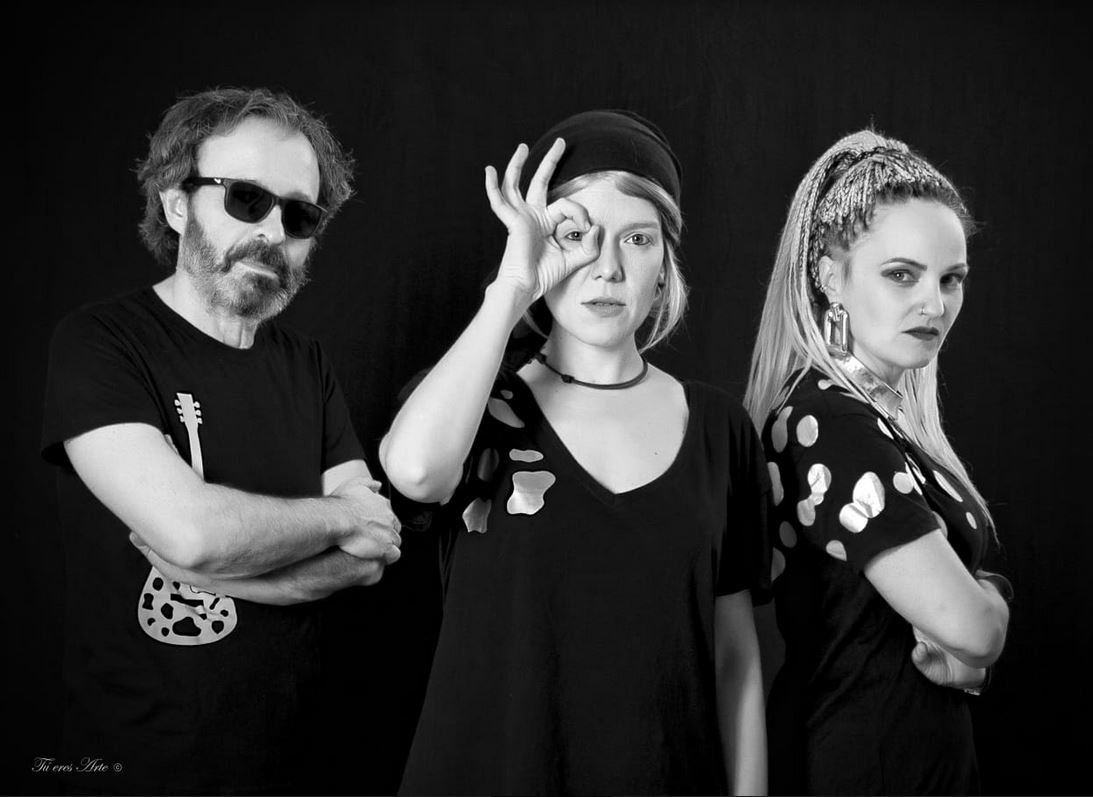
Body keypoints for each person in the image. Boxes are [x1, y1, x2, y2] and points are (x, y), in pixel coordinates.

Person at [380, 110, 771, 796]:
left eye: (638, 239)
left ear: (664, 265)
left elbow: (735, 657)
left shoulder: (719, 429)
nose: (607, 267)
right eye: (575, 234)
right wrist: (512, 288)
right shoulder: (475, 403)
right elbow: (414, 472)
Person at [40, 87, 402, 795]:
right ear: (177, 203)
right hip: (135, 769)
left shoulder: (307, 365)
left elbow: (369, 559)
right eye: (246, 199)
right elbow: (195, 533)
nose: (272, 231)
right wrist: (339, 517)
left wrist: (220, 575)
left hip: (302, 764)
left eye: (299, 215)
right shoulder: (100, 343)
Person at [744, 129, 1013, 795]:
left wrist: (978, 637)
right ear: (828, 276)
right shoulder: (829, 422)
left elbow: (964, 626)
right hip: (862, 764)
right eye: (901, 274)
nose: (934, 305)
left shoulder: (878, 419)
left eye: (950, 279)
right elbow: (972, 628)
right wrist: (992, 612)